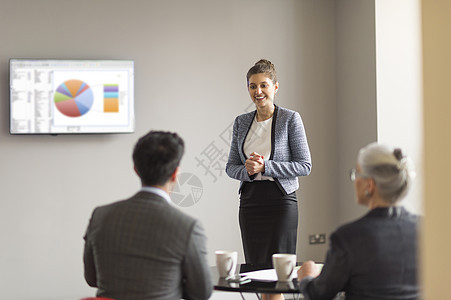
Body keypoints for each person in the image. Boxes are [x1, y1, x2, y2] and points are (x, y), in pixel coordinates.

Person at [83, 131, 213, 300]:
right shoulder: (188, 226)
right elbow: (201, 293)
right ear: (175, 173)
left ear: (136, 170)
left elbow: (92, 279)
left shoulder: (100, 216)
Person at [298, 143, 421, 300]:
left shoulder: (348, 237)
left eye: (357, 174)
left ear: (369, 185)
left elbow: (319, 294)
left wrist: (307, 277)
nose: (354, 180)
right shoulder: (426, 229)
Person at [226, 59, 312, 265]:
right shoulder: (241, 121)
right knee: (256, 272)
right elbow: (231, 166)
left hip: (281, 202)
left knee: (278, 274)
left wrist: (266, 167)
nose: (258, 91)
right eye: (252, 86)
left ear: (275, 87)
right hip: (250, 203)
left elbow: (304, 165)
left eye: (263, 85)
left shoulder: (291, 119)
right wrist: (247, 170)